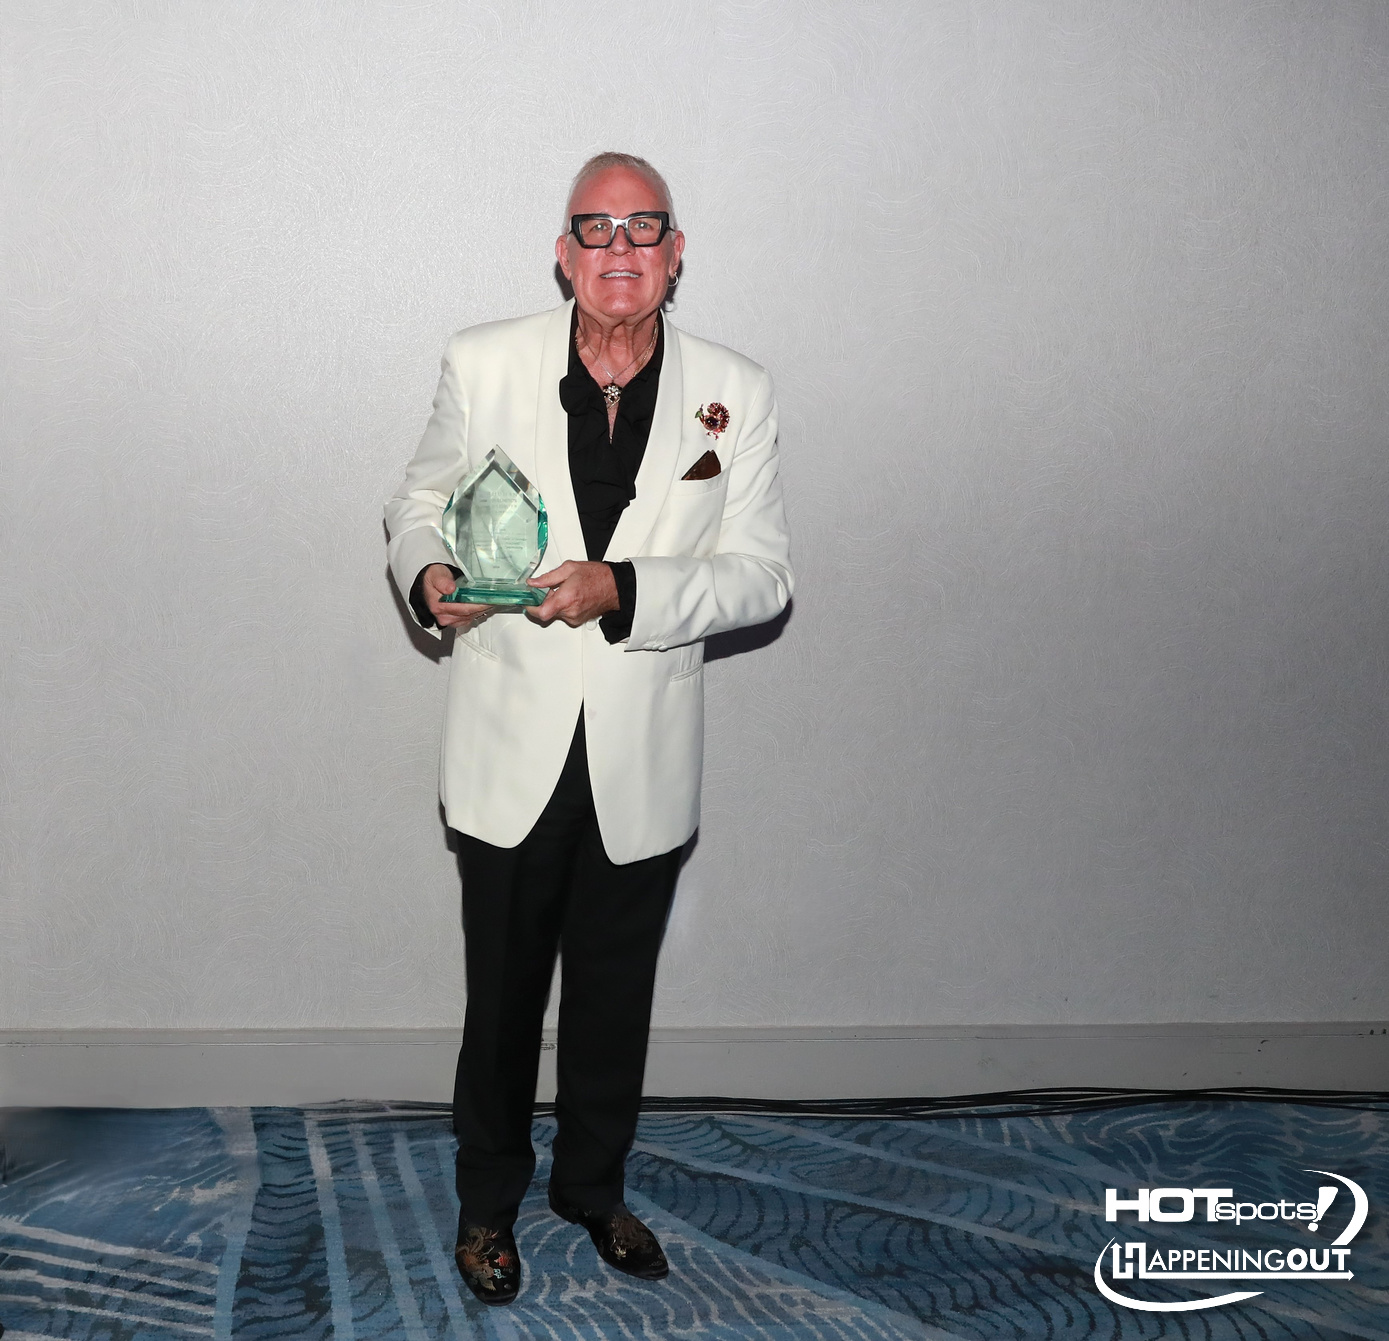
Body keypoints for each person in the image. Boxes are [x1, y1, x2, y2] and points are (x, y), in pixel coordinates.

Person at [384, 152, 793, 1305]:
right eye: (595, 232)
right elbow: (415, 503)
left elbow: (761, 577)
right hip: (509, 746)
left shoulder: (738, 391)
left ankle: (594, 1190)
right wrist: (430, 579)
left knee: (616, 998)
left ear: (675, 255)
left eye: (643, 230)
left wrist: (627, 589)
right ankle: (487, 1211)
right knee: (503, 1000)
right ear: (562, 254)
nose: (619, 254)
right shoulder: (484, 361)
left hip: (643, 753)